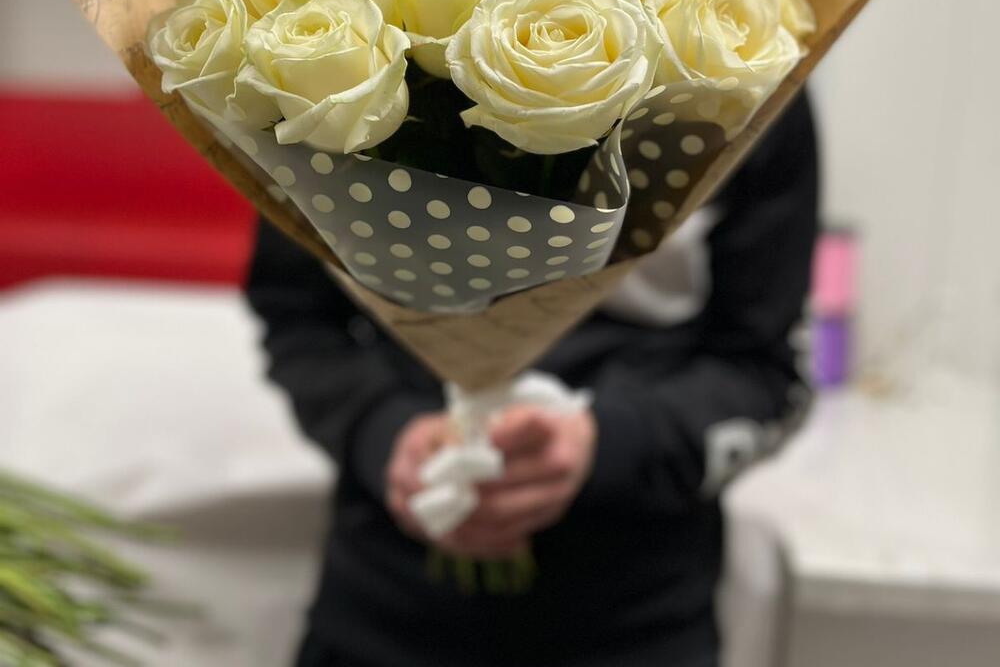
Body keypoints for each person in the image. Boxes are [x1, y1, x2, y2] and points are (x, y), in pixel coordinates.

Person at [246, 92, 818, 667]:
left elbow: (763, 368)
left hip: (636, 619)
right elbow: (298, 314)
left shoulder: (746, 73)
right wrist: (383, 431)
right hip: (378, 611)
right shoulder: (340, 67)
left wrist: (609, 445)